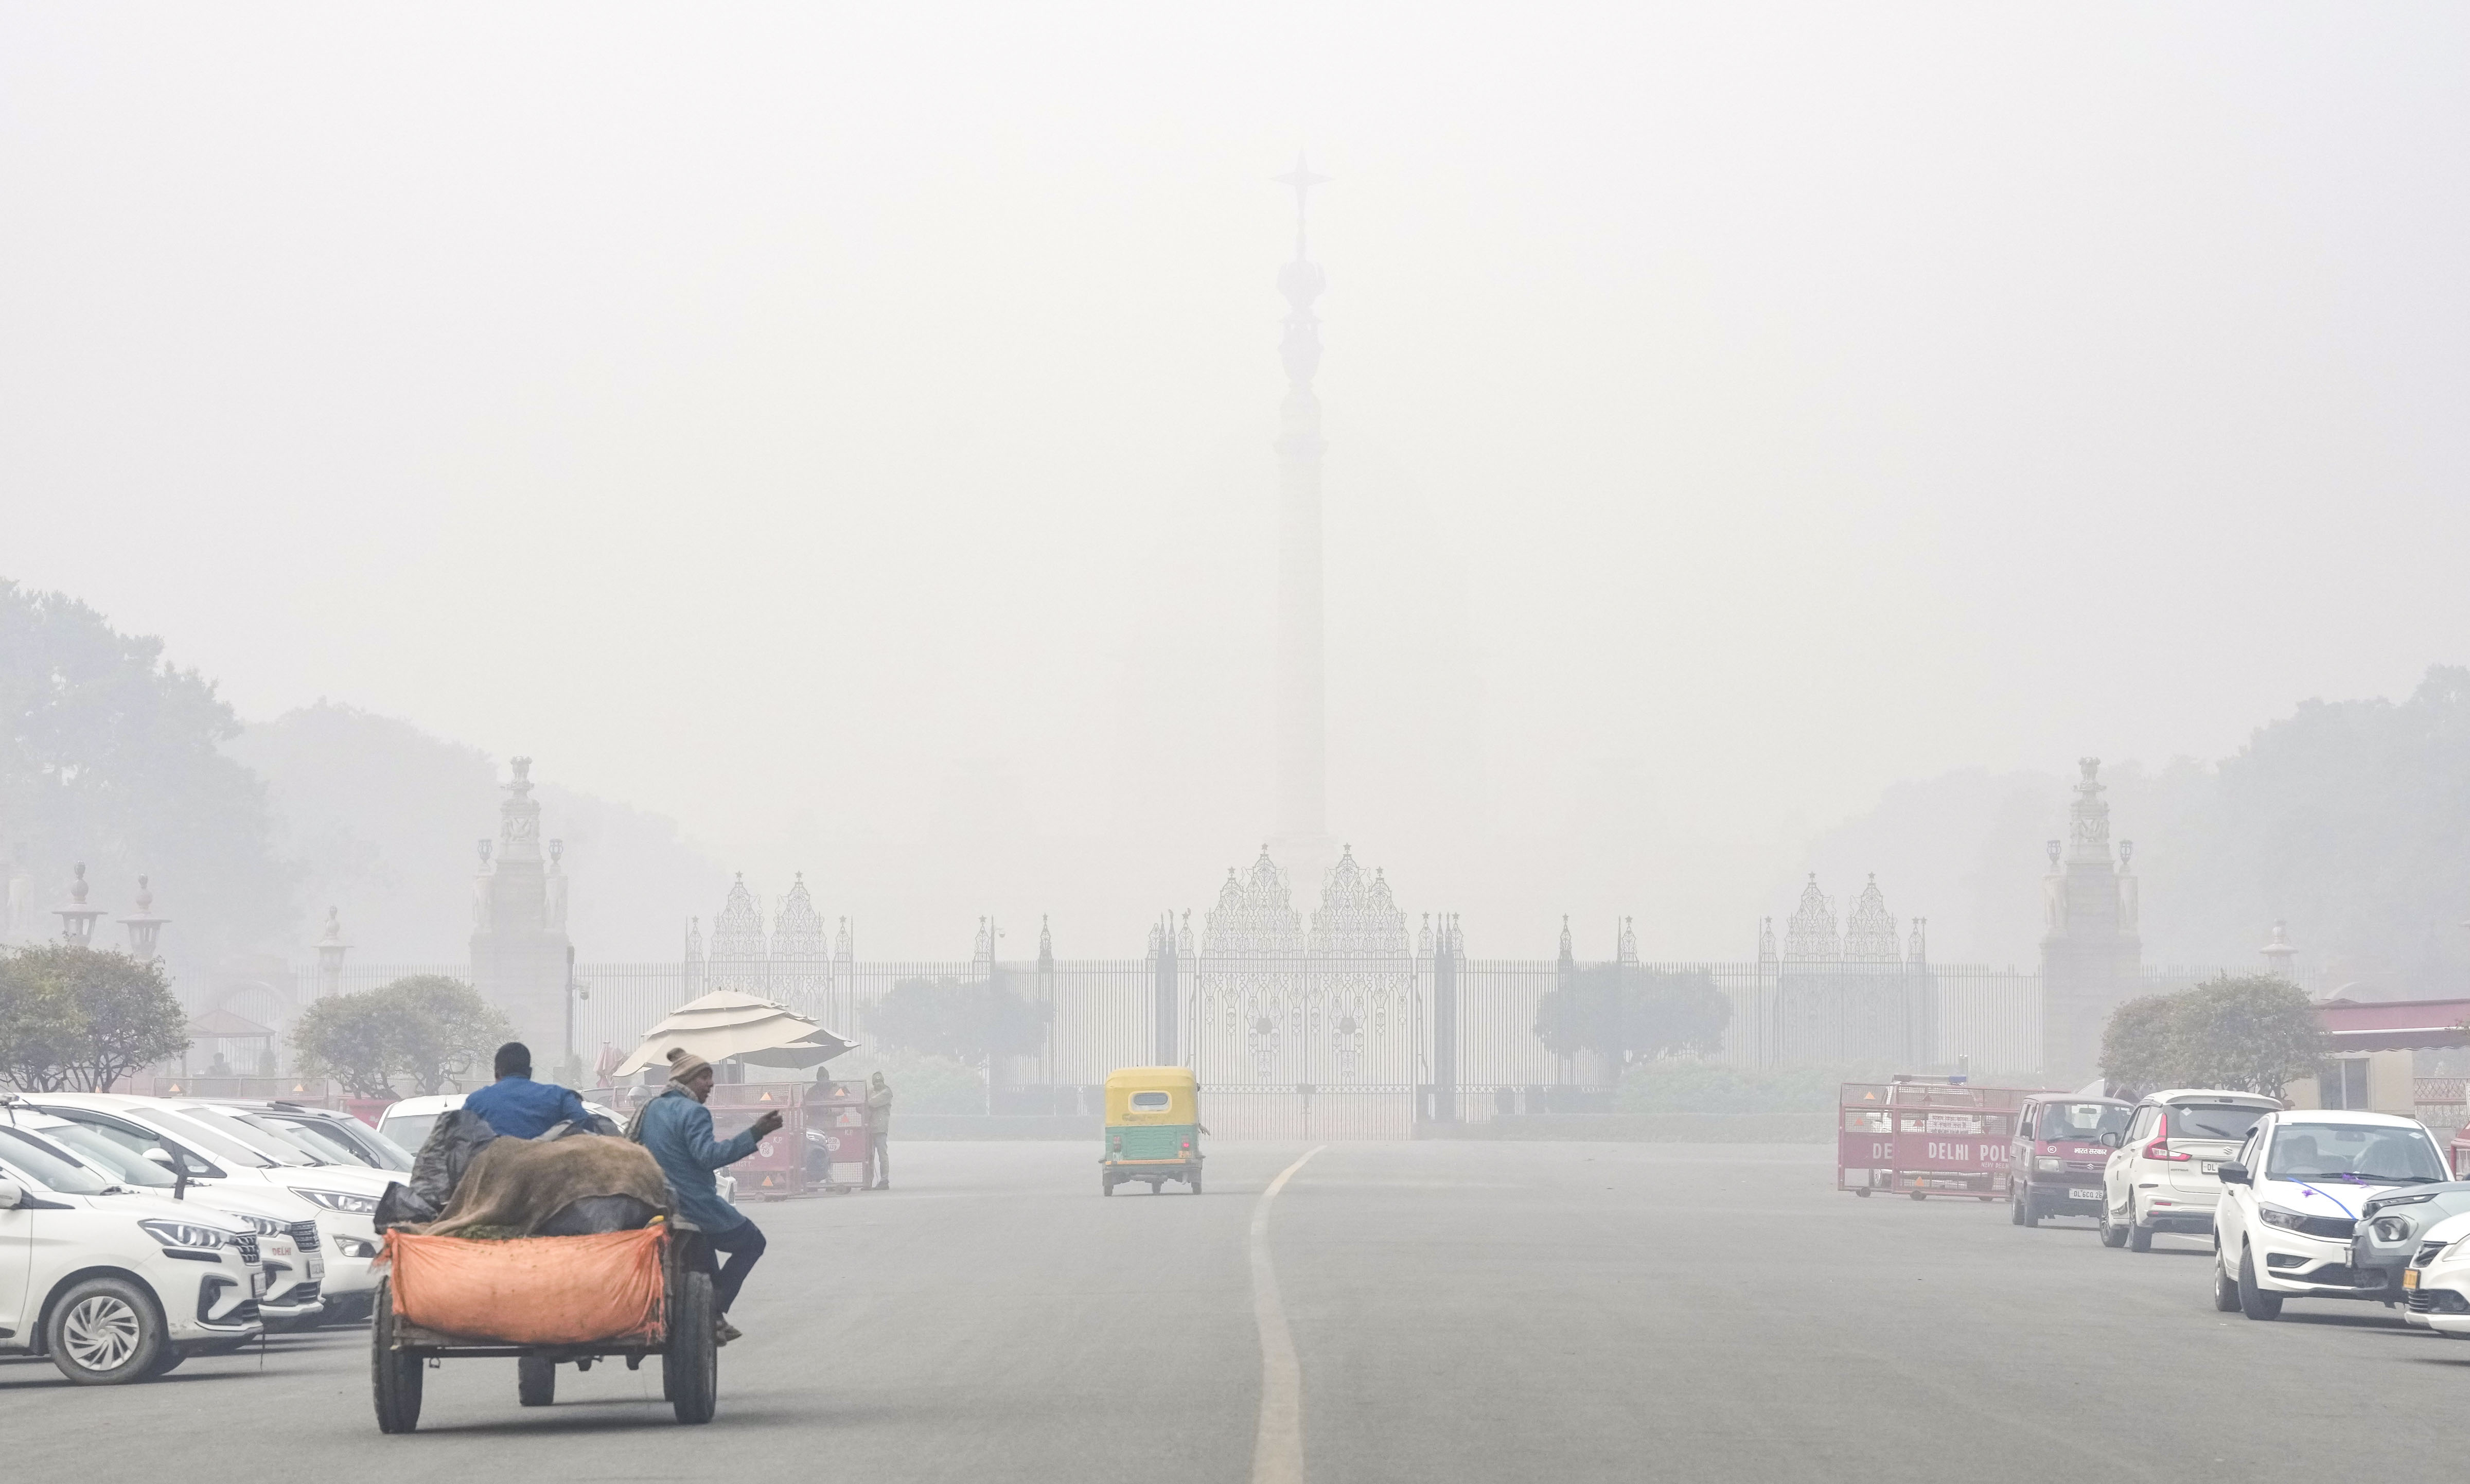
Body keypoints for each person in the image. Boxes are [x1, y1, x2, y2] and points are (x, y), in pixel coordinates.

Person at [632, 1048, 782, 1343]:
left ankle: (714, 1318)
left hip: (656, 1203)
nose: (711, 1084)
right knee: (753, 1242)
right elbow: (708, 1157)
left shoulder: (650, 1109)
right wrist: (755, 1132)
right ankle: (713, 1310)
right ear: (687, 1080)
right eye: (705, 1076)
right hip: (694, 1204)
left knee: (705, 1251)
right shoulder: (694, 1112)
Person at [463, 1041, 591, 1139]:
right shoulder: (560, 1097)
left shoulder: (475, 1102)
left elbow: (459, 1141)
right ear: (529, 1073)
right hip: (548, 1171)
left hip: (493, 1173)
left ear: (497, 1073)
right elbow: (586, 1126)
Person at [864, 1071, 893, 1190]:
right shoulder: (870, 1092)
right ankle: (868, 1181)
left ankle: (884, 1180)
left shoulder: (887, 1092)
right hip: (869, 1129)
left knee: (882, 1155)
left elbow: (872, 1102)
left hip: (881, 1129)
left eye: (880, 1081)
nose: (878, 1084)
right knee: (869, 1157)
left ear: (883, 1081)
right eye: (875, 1082)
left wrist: (865, 1103)